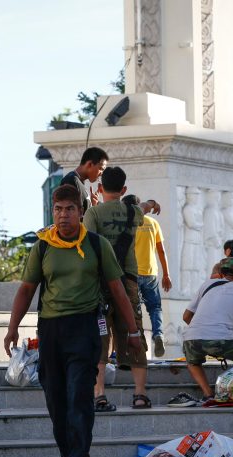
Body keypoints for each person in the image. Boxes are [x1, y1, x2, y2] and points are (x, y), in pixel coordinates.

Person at [4, 184, 139, 457]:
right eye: (58, 209)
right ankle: (66, 451)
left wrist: (134, 332)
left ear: (80, 211)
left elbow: (117, 290)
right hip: (51, 329)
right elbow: (26, 290)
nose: (63, 216)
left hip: (85, 327)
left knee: (79, 392)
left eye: (69, 209)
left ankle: (80, 455)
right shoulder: (43, 246)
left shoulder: (96, 244)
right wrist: (12, 328)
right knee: (55, 395)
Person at [83, 167, 160, 412]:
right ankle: (139, 395)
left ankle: (99, 395)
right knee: (134, 332)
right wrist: (150, 202)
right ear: (124, 190)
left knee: (100, 337)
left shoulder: (93, 213)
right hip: (127, 283)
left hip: (101, 284)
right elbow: (144, 208)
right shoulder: (132, 210)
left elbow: (89, 245)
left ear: (101, 188)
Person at [168, 257, 233, 407]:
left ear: (220, 273)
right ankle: (228, 387)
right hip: (223, 339)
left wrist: (204, 334)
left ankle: (208, 394)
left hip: (191, 338)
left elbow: (186, 316)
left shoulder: (207, 285)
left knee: (193, 361)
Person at [122, 194, 172, 358]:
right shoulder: (153, 223)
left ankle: (140, 343)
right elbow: (161, 250)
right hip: (150, 272)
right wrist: (166, 274)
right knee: (155, 307)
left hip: (132, 273)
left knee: (135, 310)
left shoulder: (127, 224)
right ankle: (158, 335)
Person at [59, 147, 108, 215]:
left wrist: (93, 205)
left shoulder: (78, 182)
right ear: (90, 164)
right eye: (100, 169)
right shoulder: (71, 181)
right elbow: (71, 216)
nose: (101, 173)